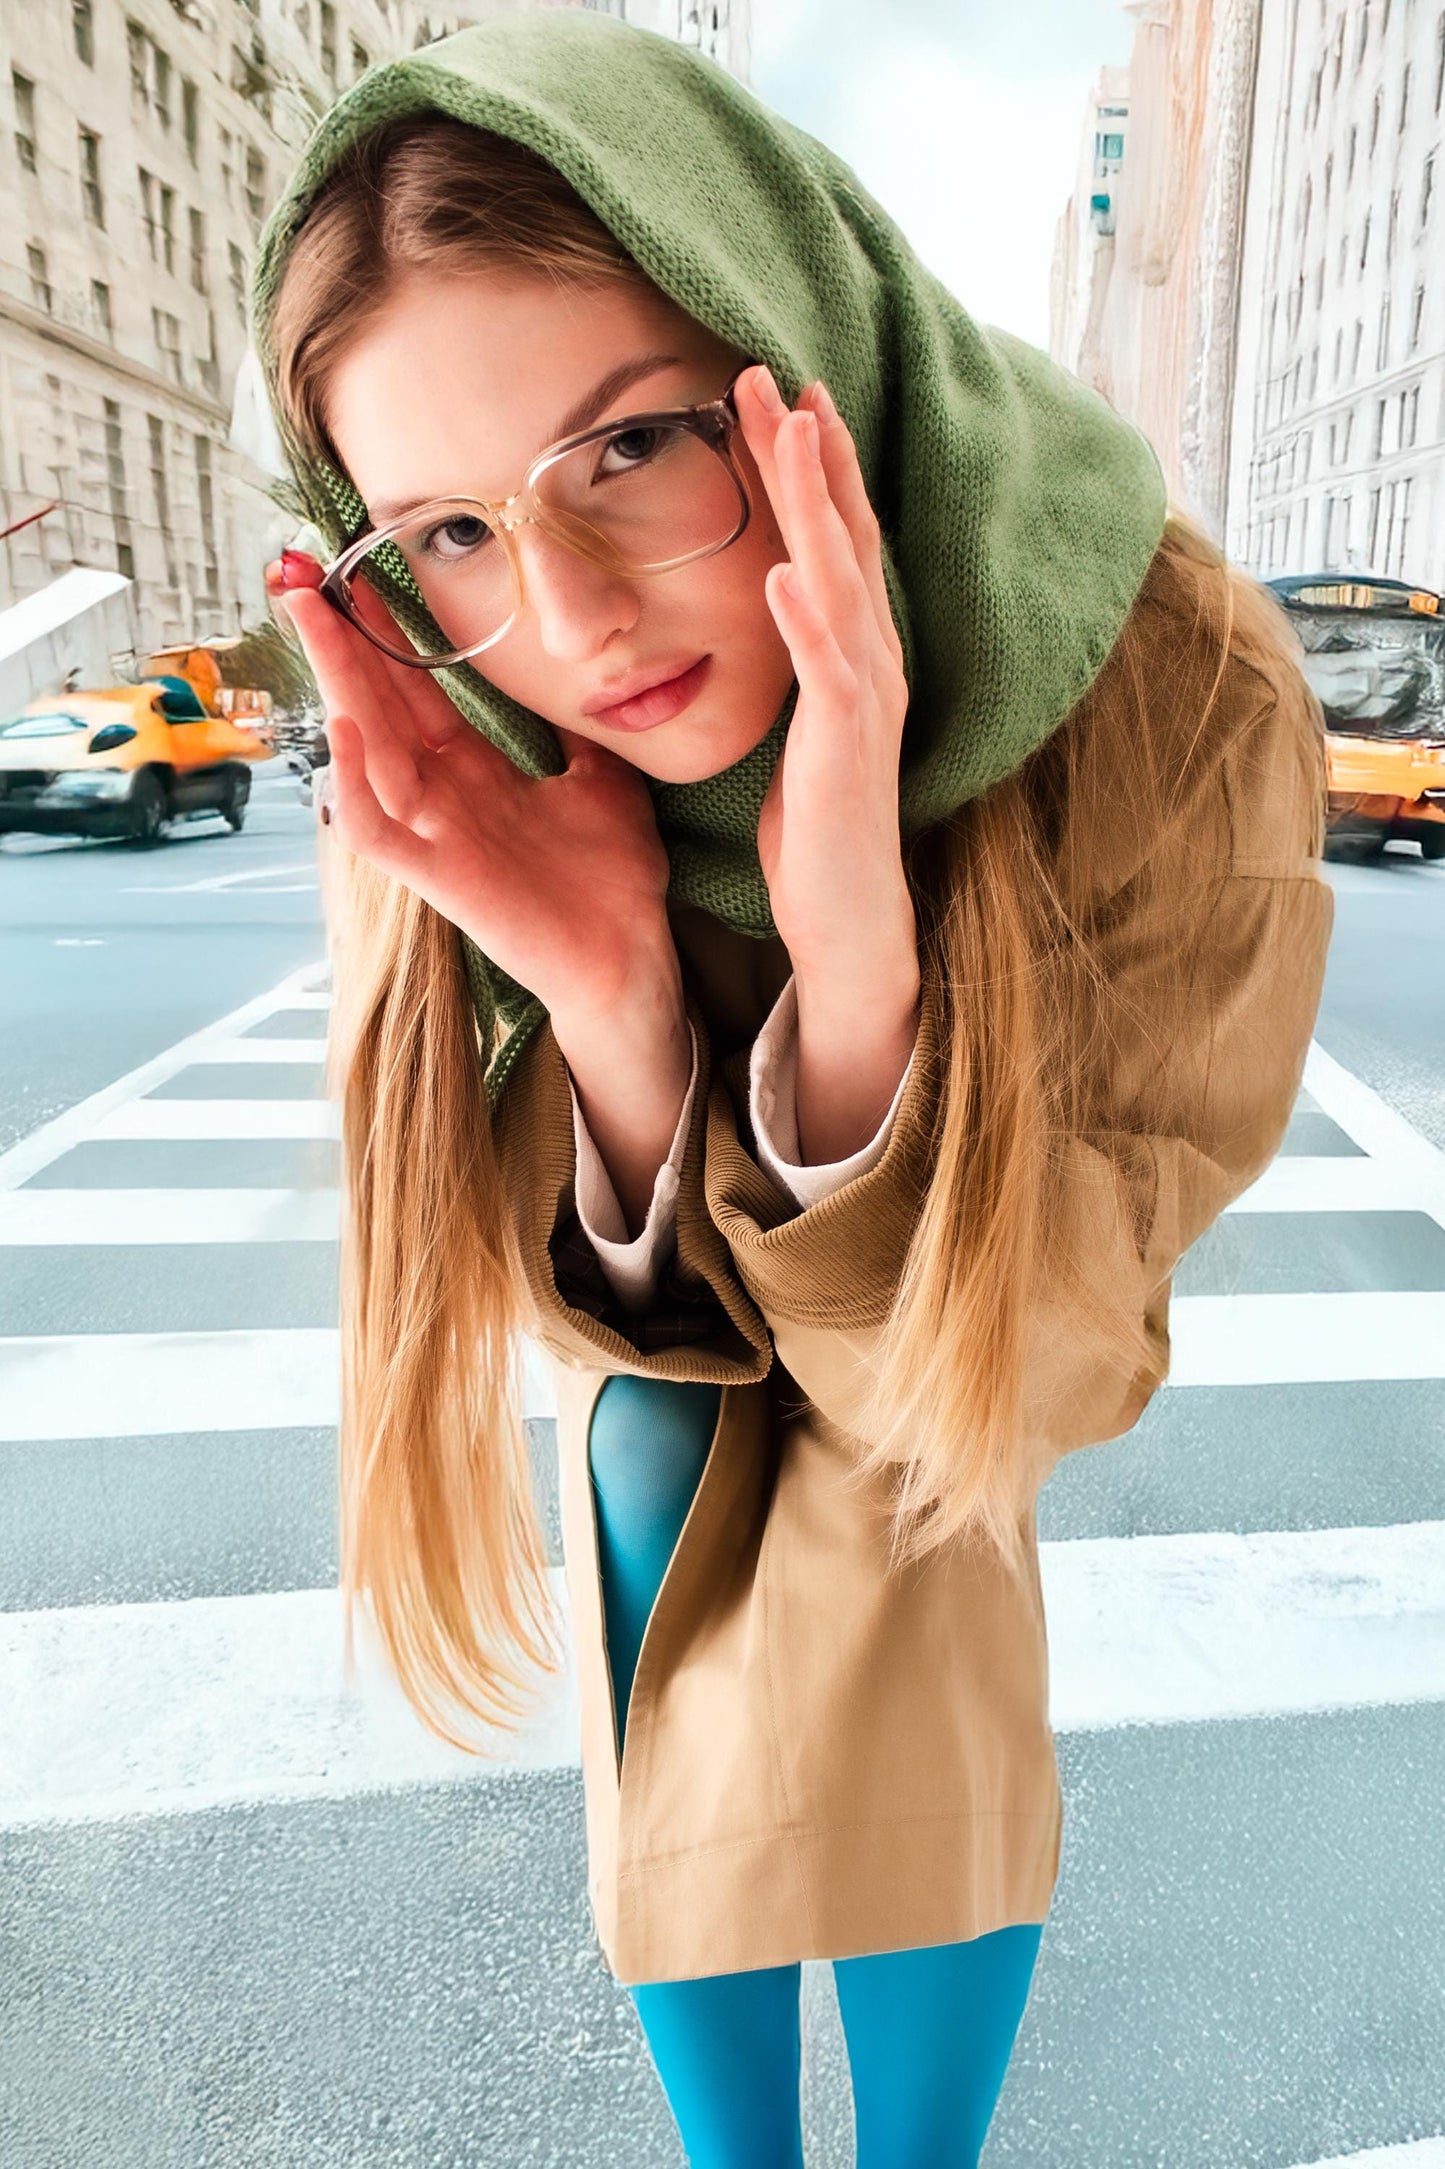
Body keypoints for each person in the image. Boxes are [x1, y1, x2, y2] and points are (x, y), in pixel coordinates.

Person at [251, 15, 1335, 2164]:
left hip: (973, 1356)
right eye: (447, 531)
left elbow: (1014, 1376)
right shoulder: (473, 744)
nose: (561, 617)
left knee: (893, 1576)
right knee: (659, 1463)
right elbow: (605, 1316)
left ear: (786, 348)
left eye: (628, 447)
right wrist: (615, 1000)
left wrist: (858, 954)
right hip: (690, 1392)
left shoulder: (1163, 683)